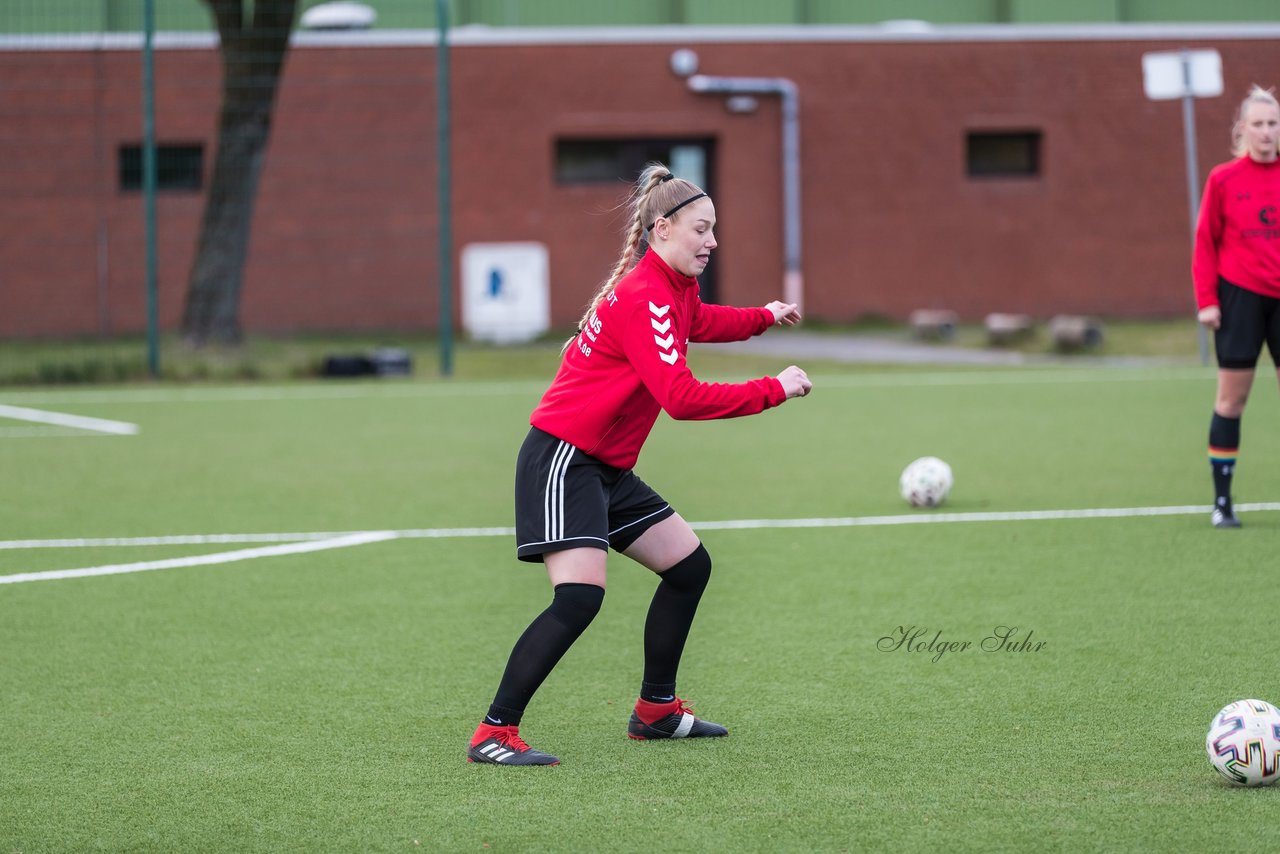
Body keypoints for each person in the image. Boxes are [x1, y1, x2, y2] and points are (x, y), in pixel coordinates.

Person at [466, 163, 812, 766]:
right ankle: (494, 732)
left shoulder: (670, 288)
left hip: (604, 466)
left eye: (714, 230)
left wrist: (762, 316)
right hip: (564, 460)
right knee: (578, 599)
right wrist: (773, 389)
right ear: (662, 230)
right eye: (701, 230)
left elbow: (698, 322)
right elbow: (679, 398)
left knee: (688, 567)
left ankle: (656, 712)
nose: (712, 242)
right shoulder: (645, 295)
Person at [1193, 85, 1280, 529]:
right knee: (1231, 400)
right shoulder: (1223, 179)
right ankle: (1222, 502)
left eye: (1273, 123)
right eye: (1259, 124)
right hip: (1239, 297)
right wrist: (1207, 301)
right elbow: (1204, 242)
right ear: (1243, 129)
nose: (1267, 132)